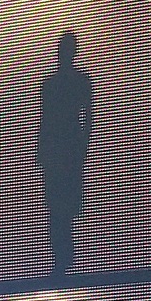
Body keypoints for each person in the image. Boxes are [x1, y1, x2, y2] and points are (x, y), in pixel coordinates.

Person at [36, 31, 93, 273]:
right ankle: (61, 255)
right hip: (62, 148)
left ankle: (63, 254)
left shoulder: (72, 82)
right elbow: (45, 119)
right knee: (58, 203)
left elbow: (87, 116)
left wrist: (83, 143)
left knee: (65, 203)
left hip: (67, 147)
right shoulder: (54, 84)